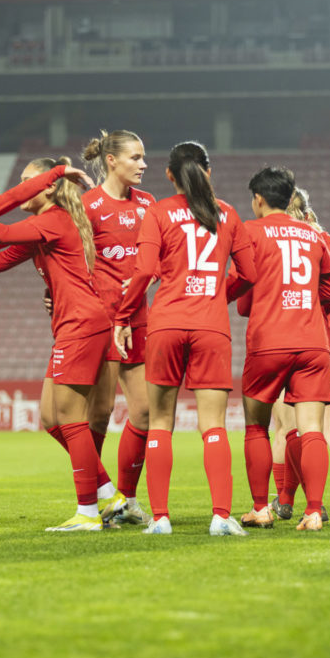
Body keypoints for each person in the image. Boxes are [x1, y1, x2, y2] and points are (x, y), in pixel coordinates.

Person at [0, 157, 129, 532]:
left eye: (27, 181)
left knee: (71, 419)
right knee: (52, 418)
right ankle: (106, 492)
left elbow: (0, 235)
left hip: (81, 325)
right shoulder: (44, 226)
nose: (18, 187)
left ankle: (89, 513)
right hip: (72, 325)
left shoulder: (51, 220)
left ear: (48, 188)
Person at [113, 141, 257, 536]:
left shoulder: (158, 212)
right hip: (211, 327)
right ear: (207, 172)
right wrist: (216, 294)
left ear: (170, 175)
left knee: (160, 422)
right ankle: (220, 516)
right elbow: (248, 273)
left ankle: (159, 518)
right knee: (213, 425)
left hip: (165, 324)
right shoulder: (227, 213)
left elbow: (142, 272)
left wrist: (123, 316)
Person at [233, 168, 330, 531]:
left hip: (268, 341)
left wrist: (257, 303)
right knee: (312, 429)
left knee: (257, 427)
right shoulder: (315, 235)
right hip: (313, 343)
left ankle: (260, 508)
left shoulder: (250, 231)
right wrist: (312, 309)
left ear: (259, 199)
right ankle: (313, 512)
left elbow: (244, 289)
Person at [268, 188, 330, 520]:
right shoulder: (323, 238)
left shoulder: (279, 238)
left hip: (287, 339)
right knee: (324, 426)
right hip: (326, 348)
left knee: (285, 427)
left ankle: (289, 499)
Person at [80, 129, 156, 524]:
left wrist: (150, 273)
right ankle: (92, 501)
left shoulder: (148, 204)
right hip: (103, 318)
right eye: (135, 157)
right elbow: (71, 260)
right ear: (112, 160)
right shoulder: (88, 205)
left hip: (139, 318)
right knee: (100, 414)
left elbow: (160, 258)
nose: (144, 165)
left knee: (143, 412)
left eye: (143, 158)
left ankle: (125, 499)